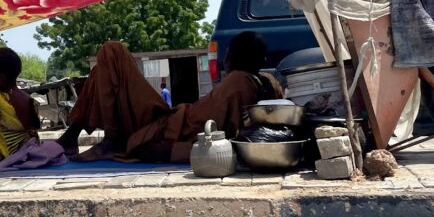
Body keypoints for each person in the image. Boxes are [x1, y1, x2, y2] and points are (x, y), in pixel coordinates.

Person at [59, 33, 282, 163]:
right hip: (166, 119)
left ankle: (111, 139)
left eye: (226, 54)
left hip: (161, 127)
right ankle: (72, 138)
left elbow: (225, 144)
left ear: (232, 57)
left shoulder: (239, 82)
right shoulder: (263, 81)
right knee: (102, 70)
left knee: (112, 51)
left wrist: (166, 151)